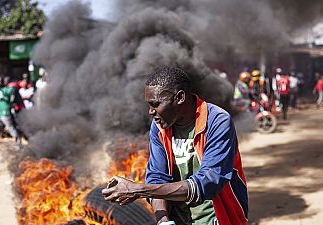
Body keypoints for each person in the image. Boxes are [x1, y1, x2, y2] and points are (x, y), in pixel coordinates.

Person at [102, 67, 248, 225]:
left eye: (156, 104)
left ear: (179, 97)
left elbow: (207, 183)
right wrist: (164, 221)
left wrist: (137, 190)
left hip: (216, 219)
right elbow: (158, 177)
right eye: (149, 105)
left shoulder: (217, 121)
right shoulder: (159, 126)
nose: (151, 112)